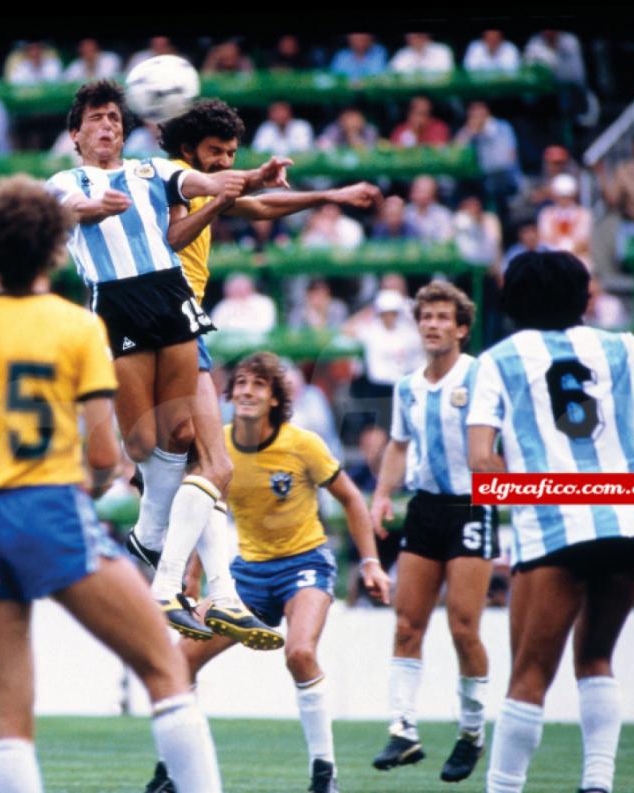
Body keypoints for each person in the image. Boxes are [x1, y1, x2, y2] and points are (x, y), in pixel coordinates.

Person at [0, 174, 223, 792]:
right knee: (165, 670)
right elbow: (106, 454)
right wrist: (88, 482)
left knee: (11, 717)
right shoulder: (75, 326)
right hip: (49, 508)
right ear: (55, 249)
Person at [129, 98, 379, 649]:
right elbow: (174, 239)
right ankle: (170, 578)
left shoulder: (199, 187)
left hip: (171, 327)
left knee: (192, 464)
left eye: (231, 154)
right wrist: (223, 195)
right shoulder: (161, 186)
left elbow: (262, 208)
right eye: (216, 152)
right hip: (163, 322)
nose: (224, 162)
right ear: (188, 149)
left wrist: (331, 196)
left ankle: (213, 589)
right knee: (199, 464)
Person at [44, 81, 290, 640]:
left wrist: (253, 178)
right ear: (76, 134)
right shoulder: (64, 181)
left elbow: (205, 181)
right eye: (96, 119)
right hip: (117, 302)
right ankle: (161, 547)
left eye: (114, 118)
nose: (108, 126)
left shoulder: (151, 171)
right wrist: (91, 207)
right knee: (150, 446)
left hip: (168, 295)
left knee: (184, 438)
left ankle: (170, 576)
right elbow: (64, 212)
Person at [467, 250, 634, 793]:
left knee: (529, 675)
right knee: (595, 657)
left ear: (512, 300)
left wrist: (527, 500)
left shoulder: (500, 358)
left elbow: (480, 459)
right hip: (631, 513)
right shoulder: (621, 344)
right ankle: (597, 783)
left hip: (557, 521)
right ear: (583, 298)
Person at [143, 352, 390, 793]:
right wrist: (194, 579)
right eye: (240, 384)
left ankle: (324, 774)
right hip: (247, 573)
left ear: (275, 398)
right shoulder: (216, 444)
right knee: (178, 661)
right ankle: (172, 773)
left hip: (305, 564)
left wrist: (369, 561)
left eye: (258, 385)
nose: (246, 392)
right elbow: (205, 512)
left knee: (299, 654)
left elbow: (353, 499)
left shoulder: (303, 444)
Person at [368, 281, 497, 782]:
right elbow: (399, 446)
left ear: (462, 328)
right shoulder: (407, 386)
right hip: (424, 507)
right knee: (406, 624)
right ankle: (402, 730)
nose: (433, 325)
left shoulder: (482, 376)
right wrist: (382, 494)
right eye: (426, 318)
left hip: (472, 505)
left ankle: (471, 732)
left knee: (464, 626)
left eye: (444, 317)